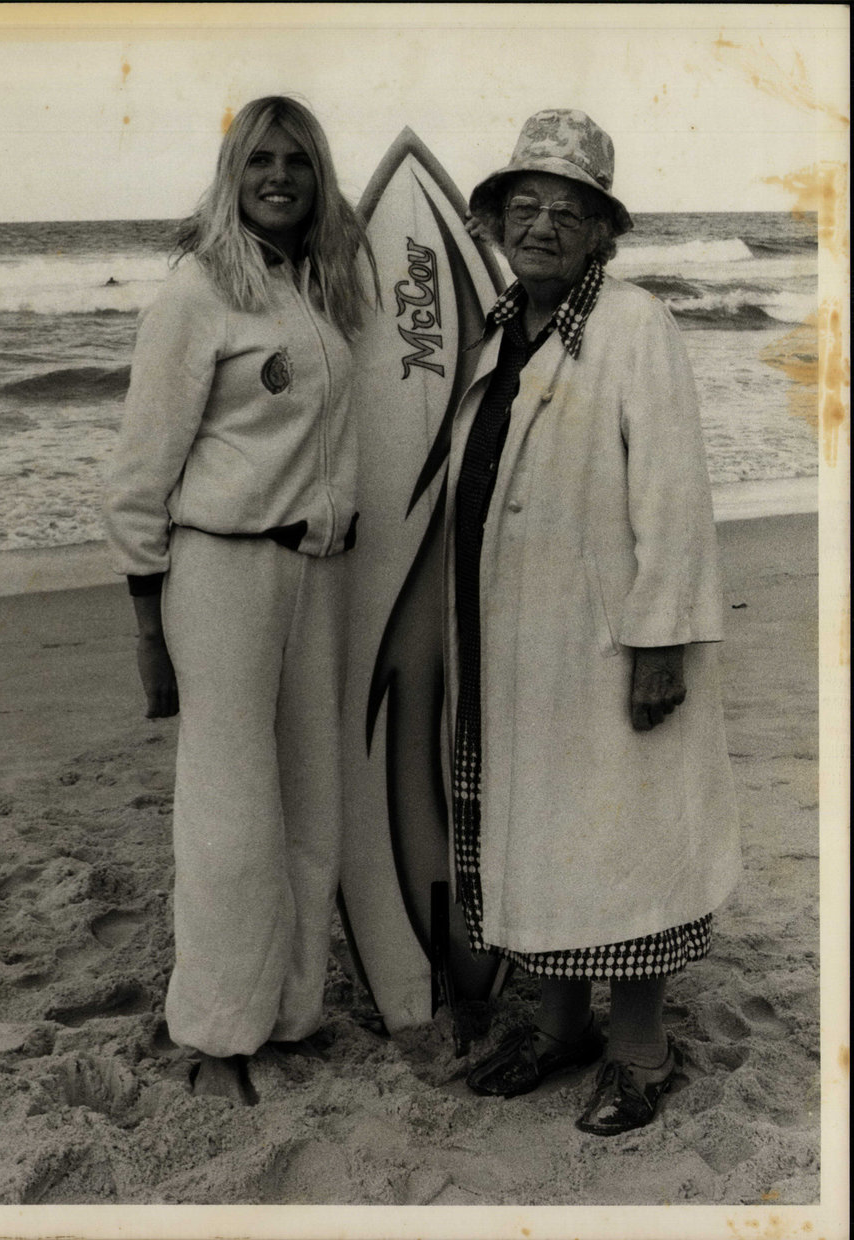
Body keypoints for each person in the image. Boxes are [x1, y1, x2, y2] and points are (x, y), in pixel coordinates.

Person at [446, 109, 741, 1135]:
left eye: (566, 212)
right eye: (522, 207)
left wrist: (661, 640)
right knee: (544, 840)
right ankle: (563, 1029)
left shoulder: (633, 326)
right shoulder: (500, 332)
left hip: (609, 643)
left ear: (601, 233)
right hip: (518, 649)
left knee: (626, 842)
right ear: (492, 222)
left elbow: (674, 497)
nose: (540, 226)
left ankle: (641, 1050)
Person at [104, 96, 378, 1104]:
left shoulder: (317, 285)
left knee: (312, 798)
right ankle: (217, 1036)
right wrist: (146, 621)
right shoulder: (196, 292)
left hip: (317, 569)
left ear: (319, 177)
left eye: (298, 163)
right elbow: (141, 468)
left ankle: (294, 1014)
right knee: (229, 812)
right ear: (233, 170)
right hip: (218, 572)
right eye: (261, 160)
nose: (279, 177)